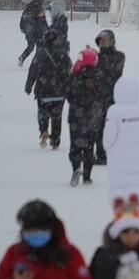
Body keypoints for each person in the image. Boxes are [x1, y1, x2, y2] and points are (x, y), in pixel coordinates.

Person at [0, 199, 90, 279]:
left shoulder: (70, 254)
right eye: (29, 230)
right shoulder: (14, 253)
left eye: (40, 230)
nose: (34, 234)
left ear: (52, 229)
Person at [104, 77, 139, 211]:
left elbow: (108, 137)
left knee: (122, 192)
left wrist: (109, 149)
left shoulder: (114, 111)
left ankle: (124, 224)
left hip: (119, 161)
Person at [26, 30, 71, 150]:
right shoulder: (63, 54)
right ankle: (55, 139)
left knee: (43, 113)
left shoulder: (40, 54)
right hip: (59, 91)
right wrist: (69, 87)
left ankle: (44, 130)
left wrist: (29, 85)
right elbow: (68, 72)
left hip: (43, 90)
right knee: (57, 116)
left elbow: (33, 70)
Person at [66, 47, 102, 186]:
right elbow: (102, 95)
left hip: (75, 116)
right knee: (89, 147)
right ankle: (87, 176)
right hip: (92, 117)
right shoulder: (98, 76)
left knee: (75, 146)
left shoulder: (74, 76)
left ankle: (76, 169)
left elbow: (68, 96)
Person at [92, 30, 125, 164]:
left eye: (104, 40)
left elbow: (112, 70)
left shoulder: (119, 56)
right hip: (98, 97)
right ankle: (101, 154)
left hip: (113, 97)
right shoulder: (96, 57)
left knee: (113, 127)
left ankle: (113, 153)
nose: (102, 43)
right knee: (98, 127)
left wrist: (97, 58)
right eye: (100, 41)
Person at [19, 0, 47, 67]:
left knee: (30, 47)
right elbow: (42, 21)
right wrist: (46, 29)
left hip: (28, 31)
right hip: (37, 31)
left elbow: (22, 21)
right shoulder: (40, 9)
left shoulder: (27, 8)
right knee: (40, 47)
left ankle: (22, 57)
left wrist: (24, 30)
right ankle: (38, 63)